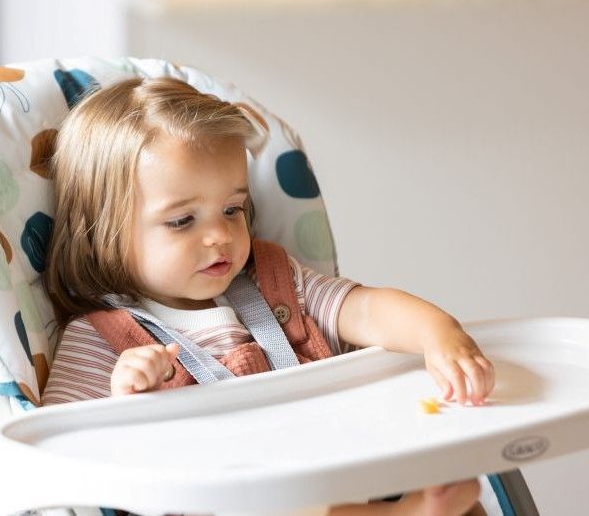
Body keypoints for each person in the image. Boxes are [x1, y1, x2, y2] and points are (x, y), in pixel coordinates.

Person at [41, 76, 495, 516]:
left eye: (232, 209)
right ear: (103, 233)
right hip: (227, 504)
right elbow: (56, 455)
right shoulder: (99, 339)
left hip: (341, 481)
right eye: (183, 221)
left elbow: (369, 310)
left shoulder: (275, 285)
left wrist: (440, 335)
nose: (219, 234)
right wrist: (127, 406)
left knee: (460, 491)